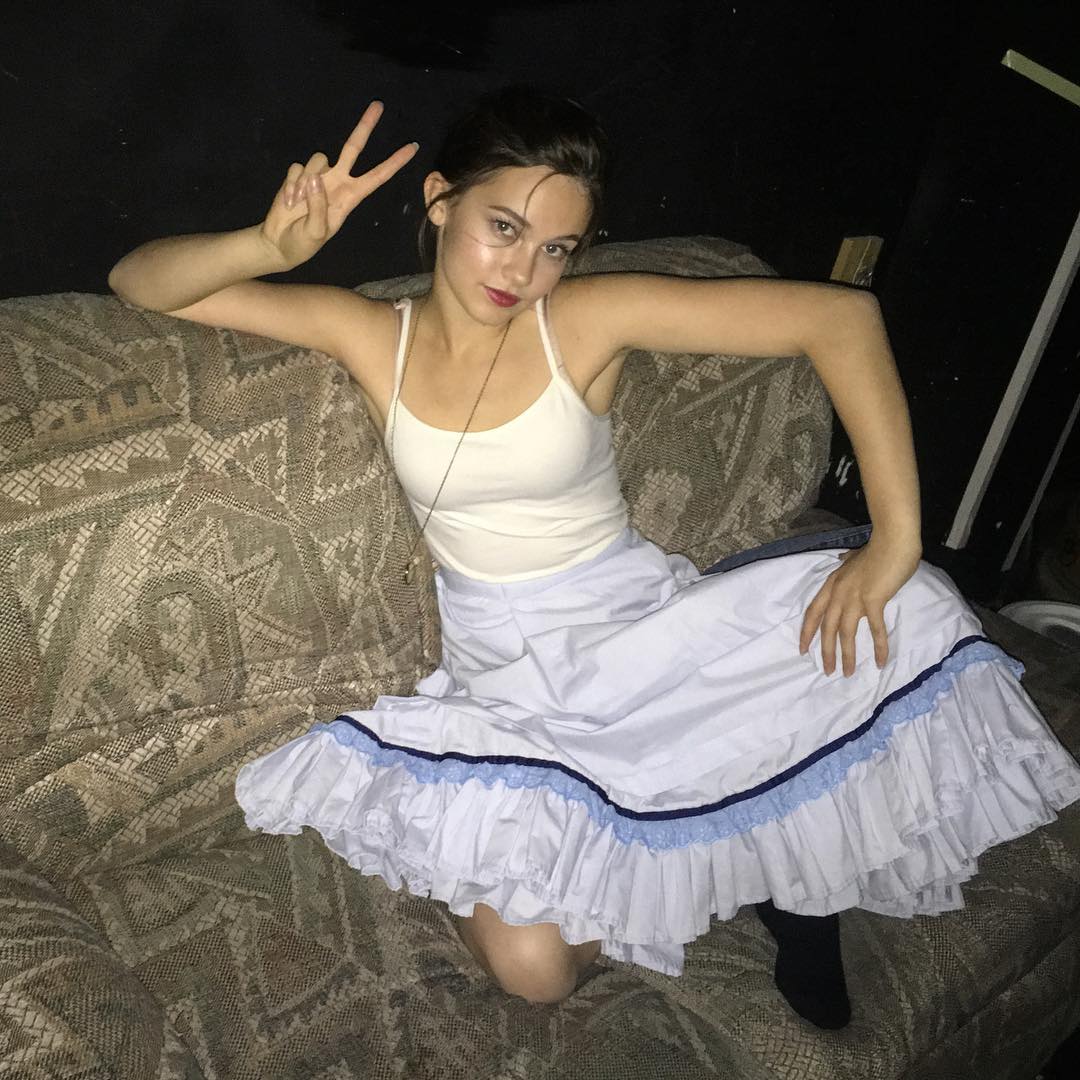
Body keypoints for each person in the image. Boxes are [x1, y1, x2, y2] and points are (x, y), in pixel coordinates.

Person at [109, 87, 1080, 1027]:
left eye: (556, 247)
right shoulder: (371, 337)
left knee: (909, 611)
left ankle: (785, 873)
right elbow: (138, 283)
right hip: (515, 683)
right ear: (440, 201)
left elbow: (841, 320)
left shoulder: (580, 319)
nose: (523, 269)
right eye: (503, 227)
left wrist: (898, 540)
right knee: (533, 970)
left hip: (648, 634)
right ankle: (754, 845)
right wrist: (269, 247)